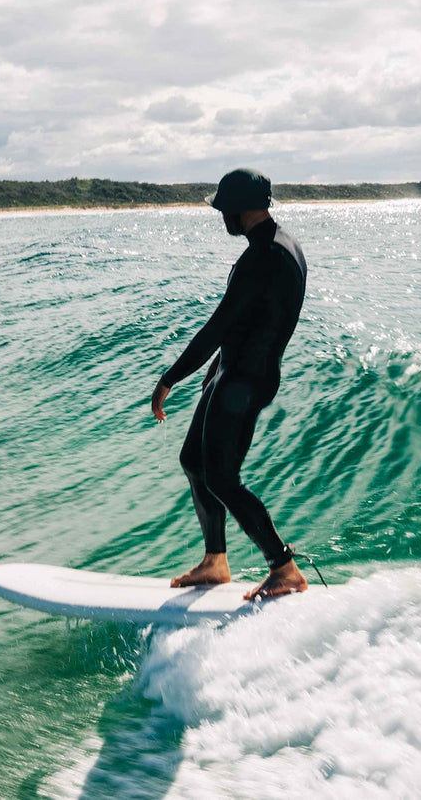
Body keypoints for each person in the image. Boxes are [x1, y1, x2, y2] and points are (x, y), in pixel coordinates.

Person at [150, 167, 309, 600]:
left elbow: (218, 324)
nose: (221, 218)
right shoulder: (283, 245)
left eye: (223, 210)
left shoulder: (264, 256)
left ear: (239, 210)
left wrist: (169, 379)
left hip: (246, 379)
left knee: (221, 477)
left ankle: (284, 567)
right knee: (194, 461)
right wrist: (216, 366)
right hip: (233, 371)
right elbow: (260, 316)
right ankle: (215, 561)